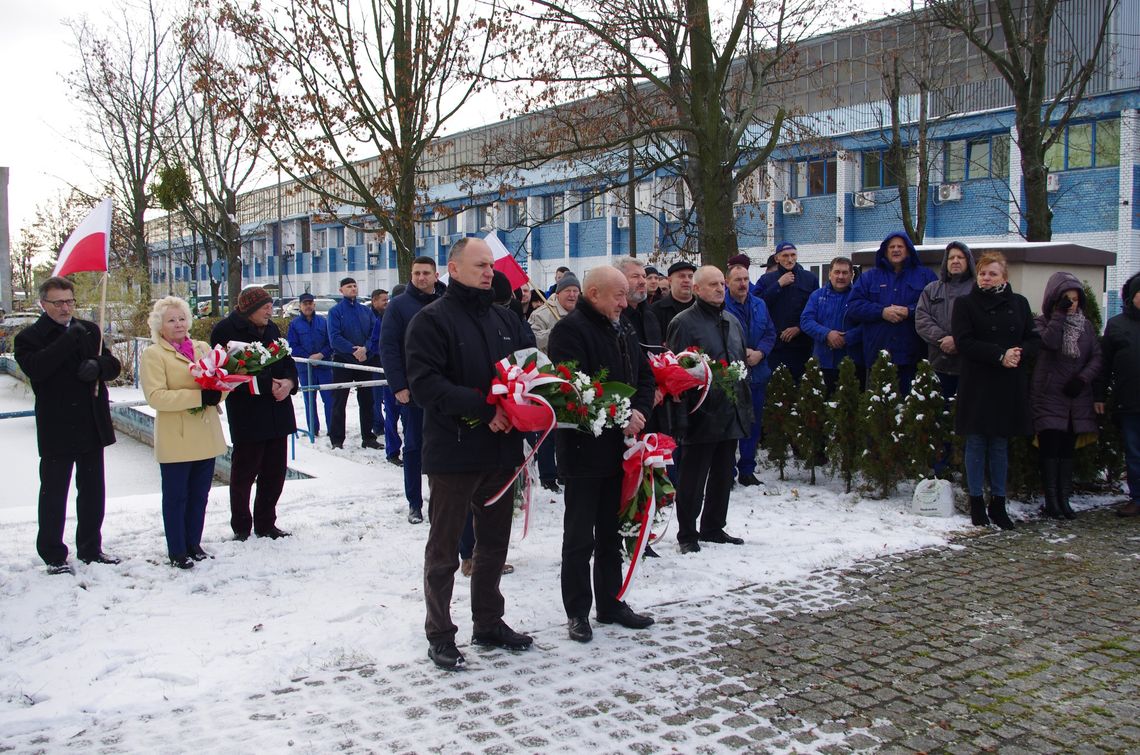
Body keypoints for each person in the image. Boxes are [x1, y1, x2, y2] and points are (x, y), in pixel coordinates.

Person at [405, 237, 537, 670]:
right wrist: (485, 410)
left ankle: (489, 621)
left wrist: (528, 406)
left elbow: (529, 370)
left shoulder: (505, 317)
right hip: (454, 451)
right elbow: (427, 385)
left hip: (501, 451)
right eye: (479, 265)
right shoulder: (431, 320)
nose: (489, 271)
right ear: (453, 269)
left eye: (490, 265)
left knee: (494, 545)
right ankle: (440, 633)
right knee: (444, 549)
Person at [548, 266, 656, 643]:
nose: (625, 303)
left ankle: (611, 602)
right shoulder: (569, 331)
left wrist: (638, 413)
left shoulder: (623, 326)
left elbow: (644, 375)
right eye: (618, 296)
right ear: (593, 294)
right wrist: (623, 415)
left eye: (626, 296)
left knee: (612, 533)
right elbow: (576, 392)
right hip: (583, 452)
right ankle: (577, 611)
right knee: (580, 538)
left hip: (620, 451)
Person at [14, 276, 122, 574]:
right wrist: (66, 340)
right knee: (54, 492)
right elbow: (37, 368)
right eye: (58, 302)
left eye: (69, 301)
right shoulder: (29, 338)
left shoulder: (89, 329)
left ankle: (90, 547)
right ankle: (53, 553)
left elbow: (113, 366)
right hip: (58, 425)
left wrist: (98, 366)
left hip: (90, 421)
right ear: (43, 304)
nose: (65, 308)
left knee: (92, 490)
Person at [666, 266, 753, 554]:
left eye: (721, 284)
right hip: (701, 413)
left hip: (730, 410)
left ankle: (714, 526)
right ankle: (687, 533)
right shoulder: (684, 322)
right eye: (712, 284)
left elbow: (739, 360)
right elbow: (677, 372)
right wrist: (682, 415)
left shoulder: (732, 320)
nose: (719, 289)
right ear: (698, 289)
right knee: (693, 477)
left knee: (723, 473)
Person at [951, 252, 1039, 530]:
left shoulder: (1020, 303)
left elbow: (1034, 338)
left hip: (1008, 381)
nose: (987, 278)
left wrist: (1018, 354)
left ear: (1004, 276)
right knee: (976, 441)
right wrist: (999, 354)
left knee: (1000, 443)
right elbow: (964, 342)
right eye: (983, 273)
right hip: (978, 380)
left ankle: (998, 502)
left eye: (993, 273)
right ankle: (977, 501)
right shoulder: (965, 304)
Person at [140, 296, 228, 569]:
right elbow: (156, 397)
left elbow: (220, 381)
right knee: (177, 496)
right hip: (177, 437)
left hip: (205, 433)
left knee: (200, 494)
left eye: (181, 318)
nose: (178, 324)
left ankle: (194, 542)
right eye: (171, 320)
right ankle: (177, 550)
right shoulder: (154, 355)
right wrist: (199, 398)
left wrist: (218, 394)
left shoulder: (202, 348)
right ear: (160, 326)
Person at [210, 286, 299, 540]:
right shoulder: (225, 331)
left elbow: (287, 361)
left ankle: (266, 522)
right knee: (244, 474)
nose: (270, 311)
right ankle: (241, 526)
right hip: (248, 413)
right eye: (265, 307)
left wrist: (290, 383)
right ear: (249, 309)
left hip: (277, 409)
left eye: (271, 306)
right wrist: (265, 383)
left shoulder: (271, 329)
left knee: (274, 472)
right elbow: (224, 371)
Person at [1032, 272, 1103, 520]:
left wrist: (1083, 378)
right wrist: (1059, 315)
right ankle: (1052, 501)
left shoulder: (1086, 326)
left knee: (1067, 450)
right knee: (1050, 448)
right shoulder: (1043, 323)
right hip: (1050, 395)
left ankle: (1064, 499)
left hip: (1076, 396)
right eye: (1065, 299)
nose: (1071, 303)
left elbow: (1096, 356)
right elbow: (1049, 343)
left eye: (1074, 299)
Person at [382, 256, 447, 524]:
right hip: (413, 390)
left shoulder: (447, 301)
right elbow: (388, 348)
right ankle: (414, 503)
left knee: (443, 449)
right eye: (417, 273)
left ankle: (441, 501)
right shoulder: (398, 306)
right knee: (413, 448)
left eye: (426, 273)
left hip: (445, 390)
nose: (421, 278)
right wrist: (399, 386)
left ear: (435, 275)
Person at [847, 231, 938, 395]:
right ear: (885, 251)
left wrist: (909, 311)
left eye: (900, 246)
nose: (896, 250)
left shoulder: (925, 275)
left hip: (913, 355)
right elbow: (853, 306)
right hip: (878, 355)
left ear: (908, 250)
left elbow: (935, 306)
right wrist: (881, 312)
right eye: (892, 247)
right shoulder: (869, 277)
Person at [724, 263, 776, 487]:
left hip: (757, 372)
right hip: (730, 376)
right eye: (738, 280)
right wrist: (740, 352)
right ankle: (727, 472)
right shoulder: (721, 306)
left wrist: (761, 352)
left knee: (752, 424)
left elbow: (770, 332)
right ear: (727, 282)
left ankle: (747, 469)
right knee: (729, 425)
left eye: (746, 279)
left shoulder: (759, 304)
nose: (743, 283)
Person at [1096, 272, 1140, 517]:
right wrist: (1099, 395)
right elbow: (1104, 365)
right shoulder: (1117, 325)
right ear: (1132, 296)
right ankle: (1137, 497)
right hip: (1129, 400)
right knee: (1134, 452)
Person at [915, 242, 976, 400]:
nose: (955, 261)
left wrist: (959, 341)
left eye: (960, 257)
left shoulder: (978, 289)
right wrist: (942, 339)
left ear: (968, 261)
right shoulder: (932, 289)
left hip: (969, 366)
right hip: (938, 363)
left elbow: (984, 322)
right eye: (951, 258)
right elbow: (922, 319)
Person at [327, 277, 380, 450]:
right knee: (339, 401)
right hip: (344, 360)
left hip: (364, 360)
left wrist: (365, 349)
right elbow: (334, 337)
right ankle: (336, 439)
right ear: (341, 290)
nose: (353, 289)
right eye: (349, 286)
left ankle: (368, 437)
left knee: (367, 400)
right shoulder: (335, 312)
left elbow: (374, 333)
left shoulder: (365, 311)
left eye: (355, 286)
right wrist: (353, 350)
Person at [753, 242, 818, 382]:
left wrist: (799, 328)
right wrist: (778, 285)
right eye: (785, 256)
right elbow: (756, 305)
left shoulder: (810, 279)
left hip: (801, 346)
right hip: (775, 346)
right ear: (777, 259)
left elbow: (815, 309)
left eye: (793, 255)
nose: (790, 259)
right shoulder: (766, 280)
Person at [800, 257, 860, 394]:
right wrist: (827, 334)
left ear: (852, 275)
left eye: (845, 273)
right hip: (822, 362)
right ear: (829, 274)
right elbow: (806, 320)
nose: (840, 276)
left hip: (851, 362)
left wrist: (847, 338)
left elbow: (866, 325)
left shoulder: (859, 296)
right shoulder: (817, 296)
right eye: (837, 272)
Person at [286, 293, 335, 437]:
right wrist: (309, 358)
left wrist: (320, 355)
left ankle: (332, 430)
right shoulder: (294, 324)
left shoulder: (323, 322)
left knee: (329, 400)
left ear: (314, 305)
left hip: (324, 366)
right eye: (305, 304)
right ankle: (313, 430)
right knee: (309, 401)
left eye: (310, 303)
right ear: (300, 306)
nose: (308, 306)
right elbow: (293, 345)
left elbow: (330, 342)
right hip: (305, 368)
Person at [367, 288, 402, 465]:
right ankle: (392, 451)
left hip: (410, 374)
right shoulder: (385, 319)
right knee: (392, 414)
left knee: (409, 418)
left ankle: (411, 451)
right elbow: (375, 344)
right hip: (389, 373)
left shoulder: (418, 316)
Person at [529, 273, 579, 350]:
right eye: (568, 291)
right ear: (558, 294)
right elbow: (531, 341)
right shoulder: (540, 315)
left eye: (575, 291)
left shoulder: (584, 315)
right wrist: (556, 332)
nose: (572, 294)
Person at [652, 260, 697, 335]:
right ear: (670, 280)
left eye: (690, 276)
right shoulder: (655, 310)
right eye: (682, 276)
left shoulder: (703, 308)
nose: (687, 280)